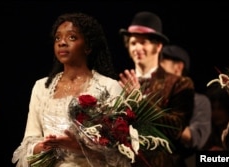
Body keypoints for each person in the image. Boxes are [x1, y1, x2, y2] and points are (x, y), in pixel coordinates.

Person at [11, 12, 124, 167]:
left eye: (72, 37)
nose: (62, 42)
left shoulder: (109, 87)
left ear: (88, 46)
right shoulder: (41, 87)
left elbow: (120, 153)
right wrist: (43, 147)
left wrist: (79, 147)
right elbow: (30, 140)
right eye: (57, 38)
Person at [118, 11, 195, 167]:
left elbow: (175, 127)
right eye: (133, 43)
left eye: (144, 42)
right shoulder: (119, 83)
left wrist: (139, 100)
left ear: (158, 46)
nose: (137, 47)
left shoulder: (179, 83)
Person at [160, 45, 212, 166]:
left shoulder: (198, 101)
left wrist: (152, 112)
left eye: (160, 64)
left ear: (178, 68)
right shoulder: (150, 96)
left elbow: (194, 138)